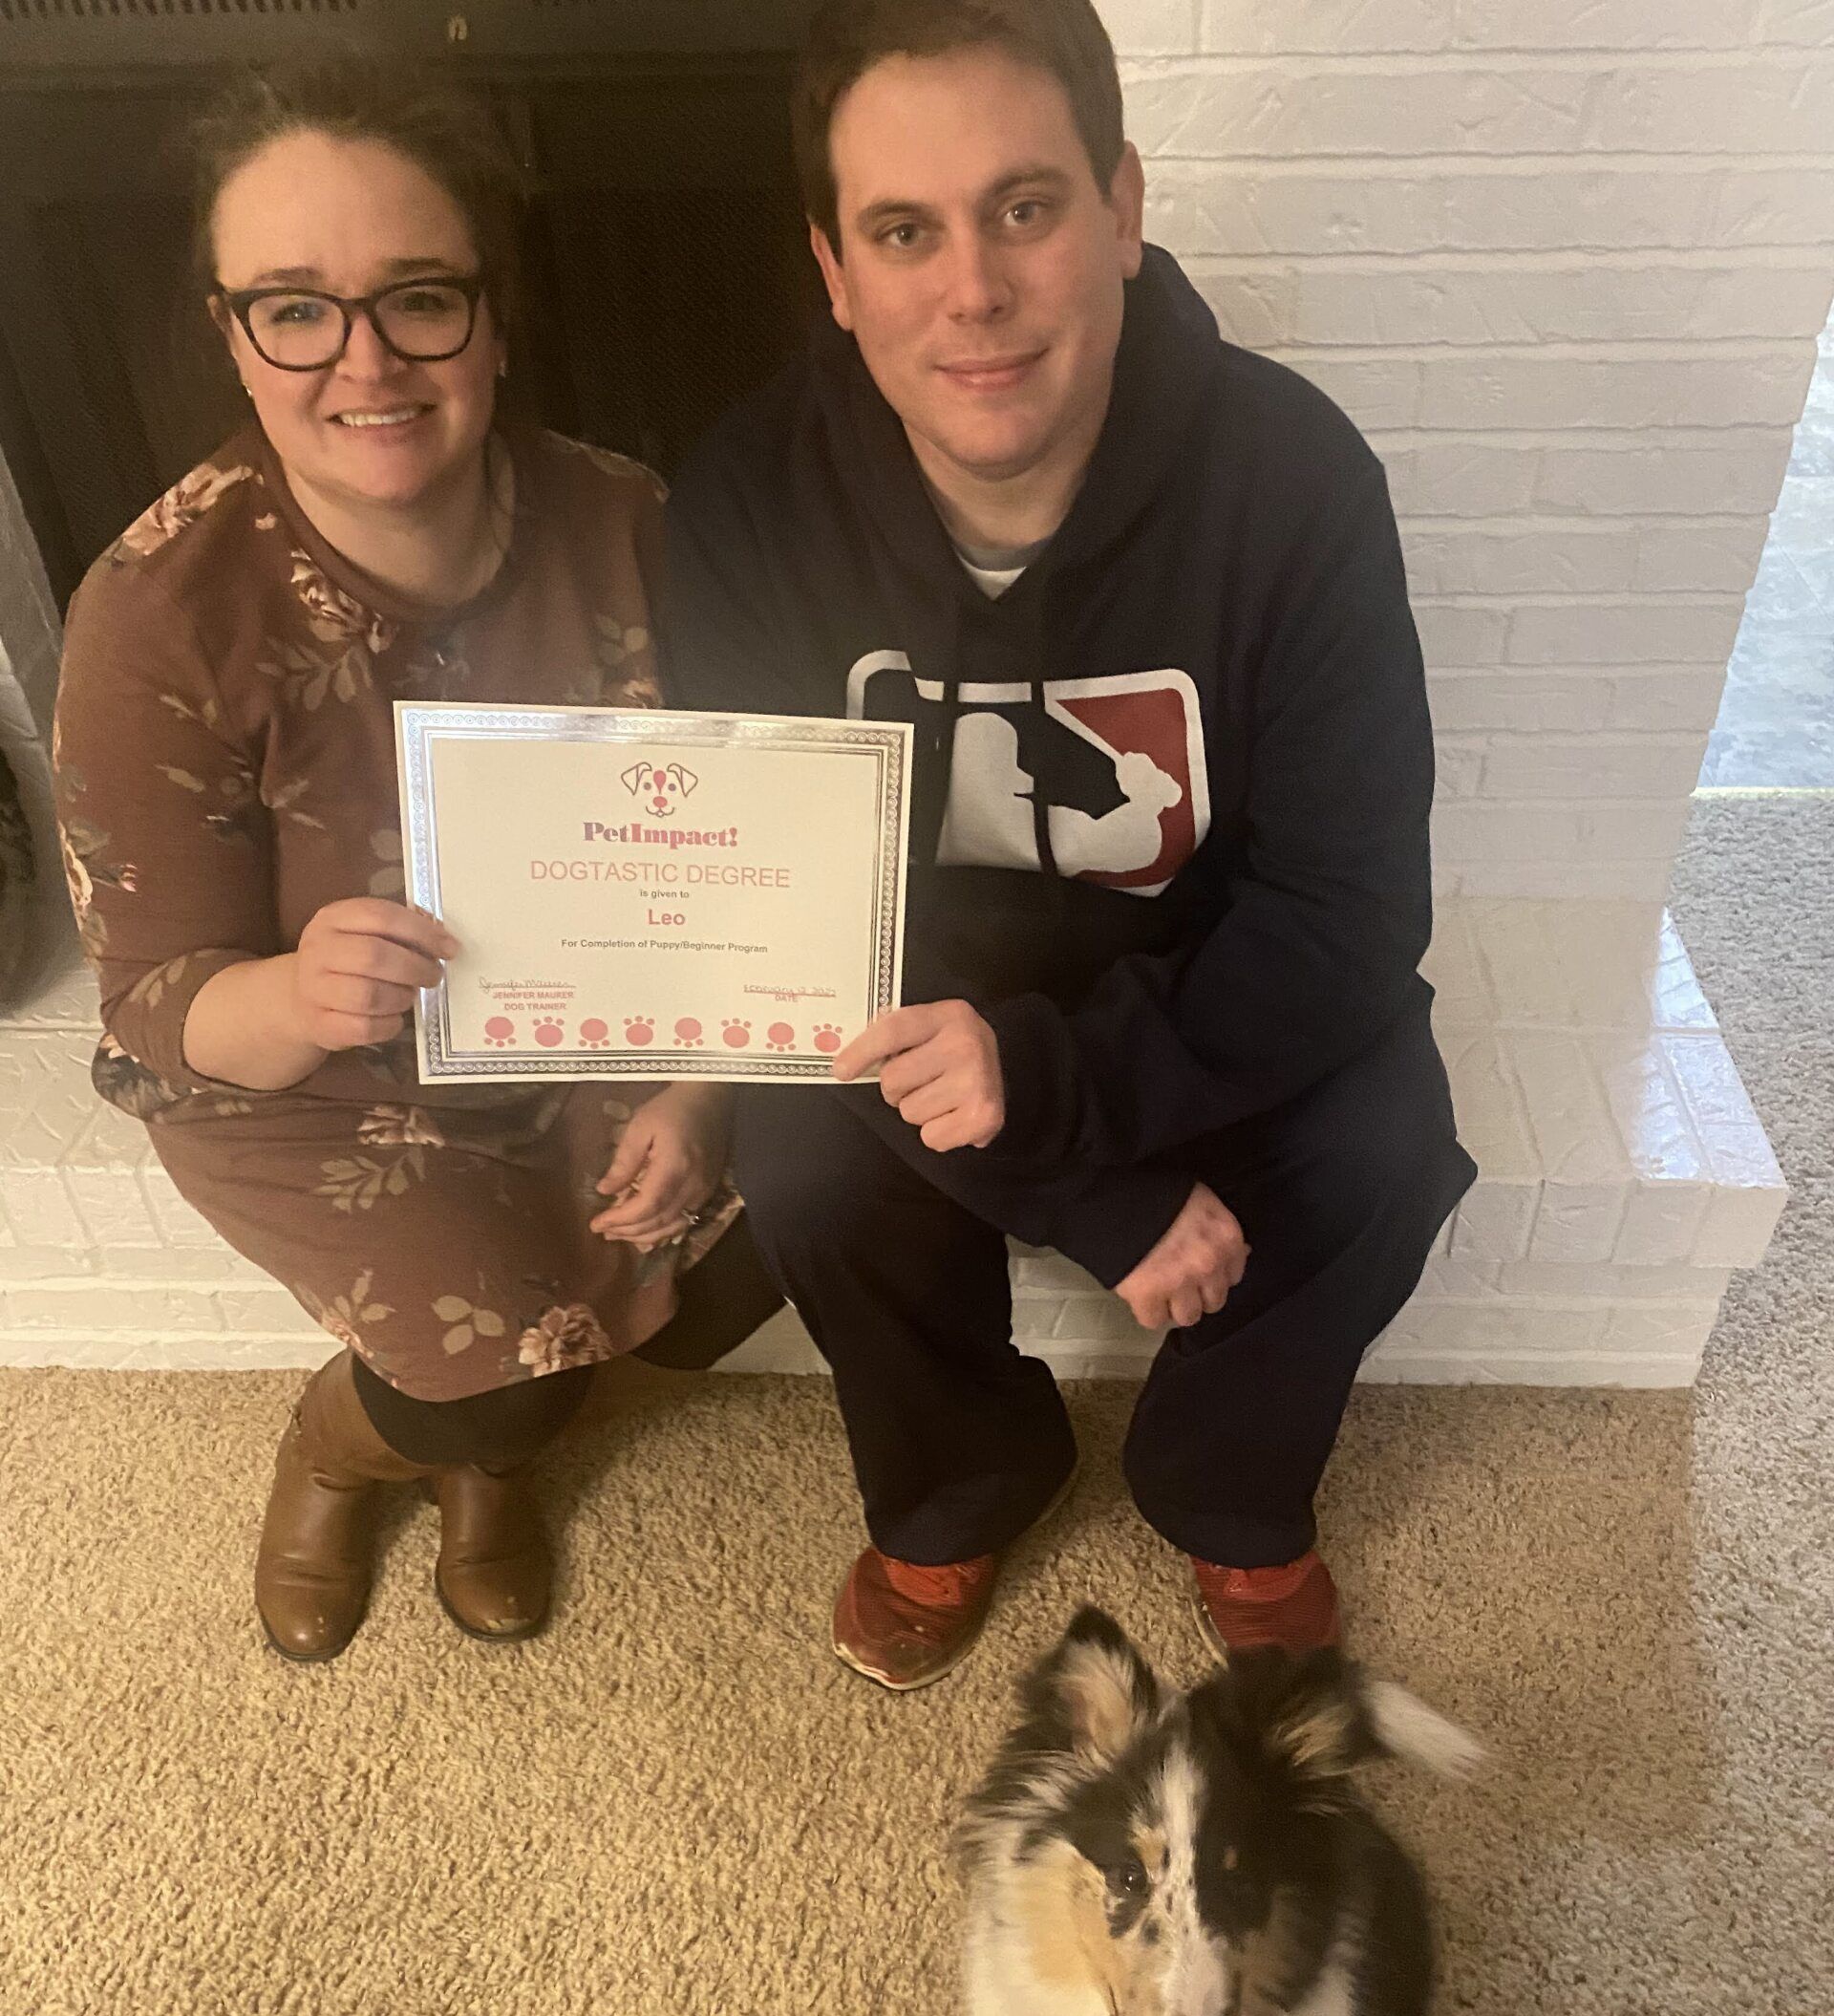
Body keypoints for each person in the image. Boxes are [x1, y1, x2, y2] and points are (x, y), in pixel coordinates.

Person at [661, 0, 1476, 1691]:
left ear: (1121, 204)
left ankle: (1224, 1482)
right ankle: (964, 1471)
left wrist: (1077, 1085)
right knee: (800, 1146)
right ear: (835, 267)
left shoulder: (1298, 478)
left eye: (1024, 206)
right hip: (906, 1005)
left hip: (1199, 985)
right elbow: (785, 920)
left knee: (1390, 1139)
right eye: (905, 230)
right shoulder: (742, 496)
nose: (973, 289)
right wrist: (1091, 1187)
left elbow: (1347, 911)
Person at [53, 57, 779, 1663]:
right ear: (235, 340)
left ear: (492, 320)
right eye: (296, 308)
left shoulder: (630, 520)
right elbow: (160, 1007)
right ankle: (356, 1445)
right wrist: (301, 992)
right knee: (484, 1386)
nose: (364, 359)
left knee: (771, 1241)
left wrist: (706, 1083)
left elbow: (735, 861)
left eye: (419, 298)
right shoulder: (153, 617)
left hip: (601, 1021)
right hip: (311, 1075)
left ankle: (487, 1441)